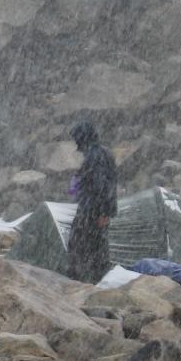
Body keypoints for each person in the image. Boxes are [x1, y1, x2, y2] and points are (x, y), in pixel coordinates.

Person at [66, 121, 117, 283]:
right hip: (94, 210)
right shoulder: (101, 153)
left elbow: (102, 186)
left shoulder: (95, 156)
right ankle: (98, 280)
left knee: (79, 245)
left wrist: (103, 212)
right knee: (97, 247)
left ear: (83, 138)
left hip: (92, 211)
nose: (76, 145)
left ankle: (79, 281)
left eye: (77, 139)